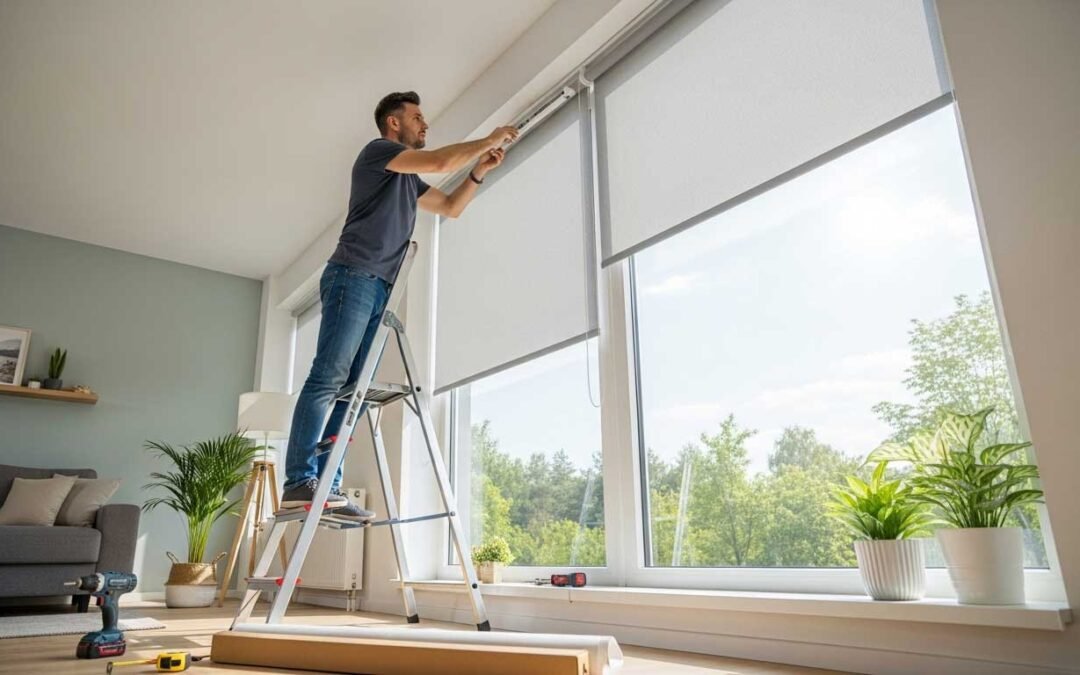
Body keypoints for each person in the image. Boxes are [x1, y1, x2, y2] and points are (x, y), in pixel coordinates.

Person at [281, 91, 519, 521]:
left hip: (380, 289)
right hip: (351, 275)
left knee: (353, 392)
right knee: (329, 377)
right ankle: (299, 480)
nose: (425, 125)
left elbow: (449, 207)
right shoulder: (379, 154)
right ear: (394, 124)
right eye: (417, 118)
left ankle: (328, 484)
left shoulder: (406, 181)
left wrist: (479, 173)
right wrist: (487, 139)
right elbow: (443, 162)